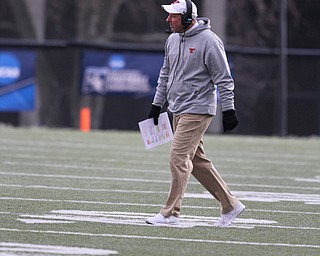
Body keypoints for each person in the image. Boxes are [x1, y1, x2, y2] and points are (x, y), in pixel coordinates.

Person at [146, 0, 245, 227]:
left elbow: (224, 79)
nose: (168, 20)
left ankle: (170, 213)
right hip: (177, 108)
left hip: (198, 109)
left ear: (188, 18)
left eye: (173, 16)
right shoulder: (172, 40)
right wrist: (156, 104)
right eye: (168, 15)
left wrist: (228, 109)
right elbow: (165, 73)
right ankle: (230, 205)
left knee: (178, 158)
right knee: (198, 162)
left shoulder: (210, 41)